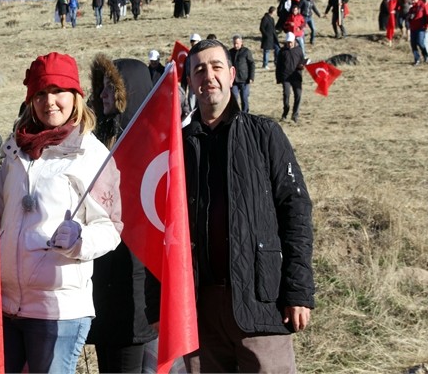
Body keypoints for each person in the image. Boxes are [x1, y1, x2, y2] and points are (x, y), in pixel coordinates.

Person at [183, 38, 314, 373]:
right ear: (190, 82)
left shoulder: (264, 133)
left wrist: (298, 291)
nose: (207, 76)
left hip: (260, 299)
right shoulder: (177, 148)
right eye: (198, 70)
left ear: (231, 74)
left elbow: (295, 208)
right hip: (199, 308)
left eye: (215, 67)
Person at [0, 52, 123, 374]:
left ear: (76, 96)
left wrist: (81, 240)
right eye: (40, 93)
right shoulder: (14, 150)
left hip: (59, 311)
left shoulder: (92, 155)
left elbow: (111, 226)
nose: (49, 101)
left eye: (58, 91)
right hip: (6, 305)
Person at [86, 54, 158, 373]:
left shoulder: (153, 151)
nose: (102, 94)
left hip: (138, 290)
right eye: (100, 86)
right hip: (103, 286)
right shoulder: (93, 144)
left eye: (110, 87)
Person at [276, 32, 306, 123]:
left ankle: (295, 114)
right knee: (286, 94)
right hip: (285, 77)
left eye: (290, 42)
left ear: (294, 41)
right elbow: (279, 65)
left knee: (298, 95)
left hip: (296, 76)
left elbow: (302, 61)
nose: (289, 44)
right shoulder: (282, 52)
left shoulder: (299, 50)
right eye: (288, 42)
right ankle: (285, 112)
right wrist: (278, 78)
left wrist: (302, 66)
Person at [228, 35, 255, 113]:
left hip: (245, 80)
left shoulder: (246, 51)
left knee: (244, 98)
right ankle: (234, 113)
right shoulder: (230, 52)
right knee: (234, 98)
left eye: (237, 43)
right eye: (234, 43)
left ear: (241, 43)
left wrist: (251, 77)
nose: (236, 45)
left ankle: (245, 113)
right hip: (234, 81)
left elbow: (252, 64)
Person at [407, 0, 428, 66]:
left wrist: (427, 25)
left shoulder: (422, 6)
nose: (412, 1)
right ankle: (417, 59)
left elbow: (427, 16)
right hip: (413, 28)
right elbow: (408, 18)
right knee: (413, 44)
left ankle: (426, 55)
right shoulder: (411, 9)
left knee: (420, 42)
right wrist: (409, 18)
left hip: (421, 28)